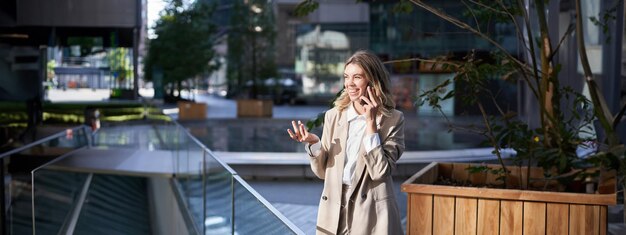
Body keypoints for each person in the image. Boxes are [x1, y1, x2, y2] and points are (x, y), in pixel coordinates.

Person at [287, 50, 404, 235]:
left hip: (372, 213)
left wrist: (371, 123)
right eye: (346, 76)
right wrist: (314, 143)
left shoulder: (393, 119)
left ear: (373, 80)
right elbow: (322, 173)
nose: (349, 83)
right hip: (334, 209)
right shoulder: (333, 116)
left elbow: (380, 172)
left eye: (357, 77)